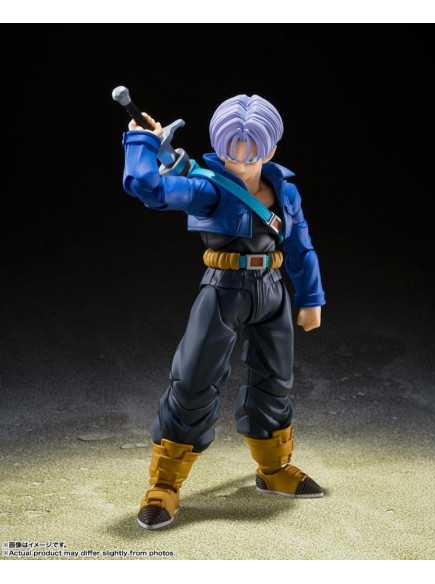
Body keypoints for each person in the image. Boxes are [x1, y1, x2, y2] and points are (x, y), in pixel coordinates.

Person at [121, 94, 326, 530]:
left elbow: (301, 245)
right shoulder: (208, 187)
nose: (242, 162)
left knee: (275, 380)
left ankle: (274, 468)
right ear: (220, 147)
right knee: (194, 378)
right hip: (223, 289)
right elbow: (149, 189)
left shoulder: (284, 189)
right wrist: (140, 142)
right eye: (232, 152)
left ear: (270, 149)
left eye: (252, 153)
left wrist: (311, 298)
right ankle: (165, 483)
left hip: (272, 288)